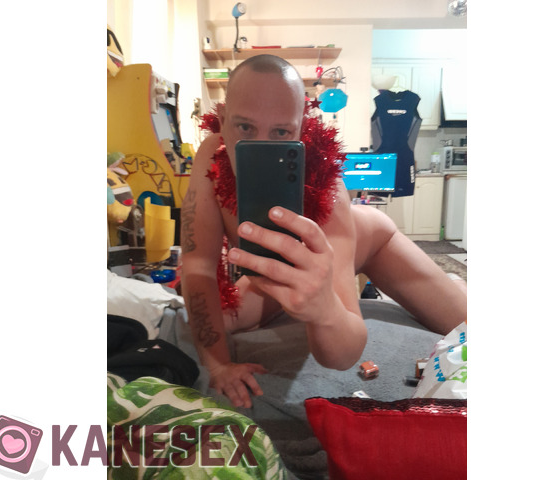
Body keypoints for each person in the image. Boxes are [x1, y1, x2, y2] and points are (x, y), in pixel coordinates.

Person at [181, 54, 466, 408]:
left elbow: (343, 354)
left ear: (302, 128)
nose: (261, 146)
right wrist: (218, 365)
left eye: (281, 132)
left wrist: (326, 311)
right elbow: (198, 265)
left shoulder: (325, 184)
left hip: (371, 241)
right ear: (222, 121)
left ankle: (455, 285)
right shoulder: (211, 155)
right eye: (245, 128)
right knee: (217, 322)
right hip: (283, 263)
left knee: (466, 322)